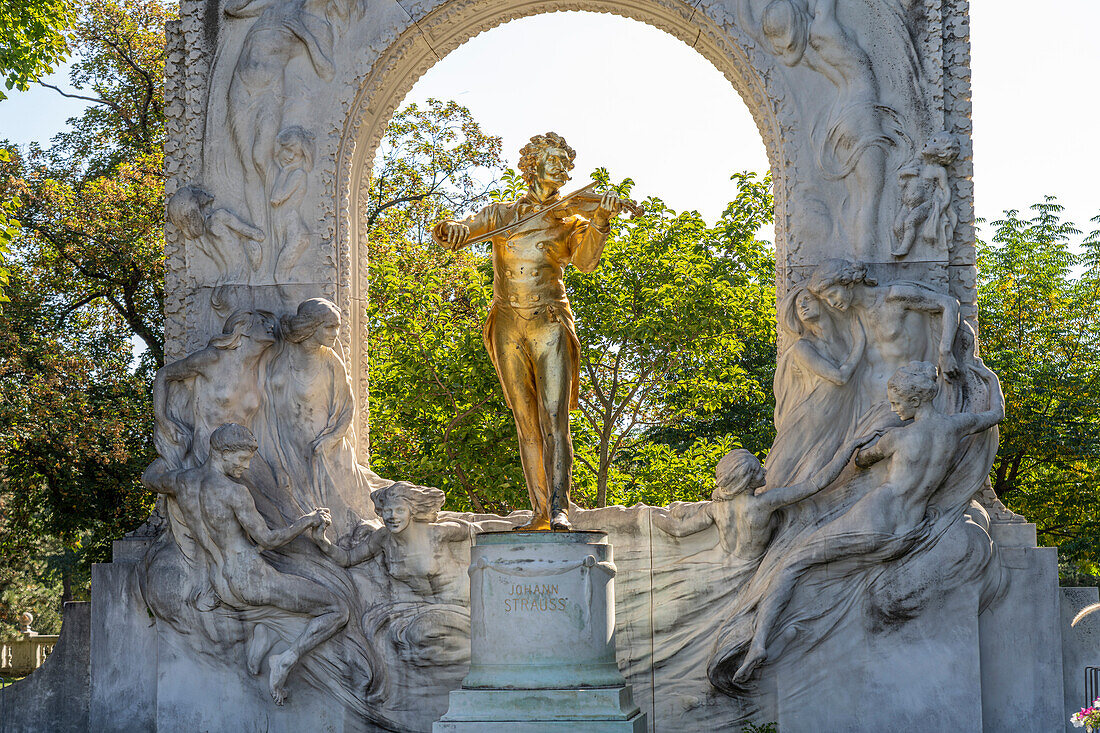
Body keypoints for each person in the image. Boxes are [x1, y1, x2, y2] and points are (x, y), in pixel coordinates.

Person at [729, 361, 1003, 684]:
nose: (892, 407)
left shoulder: (897, 439)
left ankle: (758, 643)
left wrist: (865, 439)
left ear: (915, 401)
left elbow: (861, 459)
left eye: (896, 401)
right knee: (828, 572)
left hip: (877, 517)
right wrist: (986, 374)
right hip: (908, 530)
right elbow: (996, 412)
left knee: (793, 562)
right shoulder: (954, 427)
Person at [431, 133, 627, 531]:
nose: (561, 169)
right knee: (525, 420)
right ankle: (539, 509)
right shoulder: (502, 214)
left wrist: (602, 221)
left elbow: (586, 262)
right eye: (551, 160)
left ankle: (560, 507)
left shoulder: (570, 219)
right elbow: (462, 229)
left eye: (564, 163)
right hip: (506, 323)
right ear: (531, 165)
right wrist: (448, 228)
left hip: (549, 320)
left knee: (554, 417)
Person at [142, 423, 348, 705]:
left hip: (220, 583)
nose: (246, 466)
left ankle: (264, 631)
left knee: (282, 602)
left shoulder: (182, 482)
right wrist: (307, 521)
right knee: (337, 608)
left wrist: (171, 449)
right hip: (250, 579)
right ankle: (285, 660)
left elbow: (149, 478)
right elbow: (269, 538)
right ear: (223, 452)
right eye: (242, 458)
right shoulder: (234, 492)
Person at [263, 298, 386, 536]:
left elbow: (347, 408)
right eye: (330, 327)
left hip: (328, 450)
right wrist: (277, 463)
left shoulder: (330, 360)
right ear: (312, 326)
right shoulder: (281, 359)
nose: (336, 333)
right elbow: (269, 416)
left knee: (356, 512)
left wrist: (331, 440)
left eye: (338, 327)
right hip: (292, 450)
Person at [652, 433, 877, 561]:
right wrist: (848, 448)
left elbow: (679, 530)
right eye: (759, 471)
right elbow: (816, 483)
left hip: (726, 565)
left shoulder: (716, 509)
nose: (765, 472)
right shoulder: (765, 503)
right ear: (746, 479)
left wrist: (653, 518)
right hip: (751, 565)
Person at [312, 482, 512, 601]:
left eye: (399, 510)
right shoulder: (383, 538)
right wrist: (322, 541)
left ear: (412, 512)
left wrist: (518, 525)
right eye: (388, 511)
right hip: (416, 609)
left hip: (462, 600)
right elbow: (348, 558)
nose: (392, 516)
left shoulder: (437, 533)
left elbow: (482, 530)